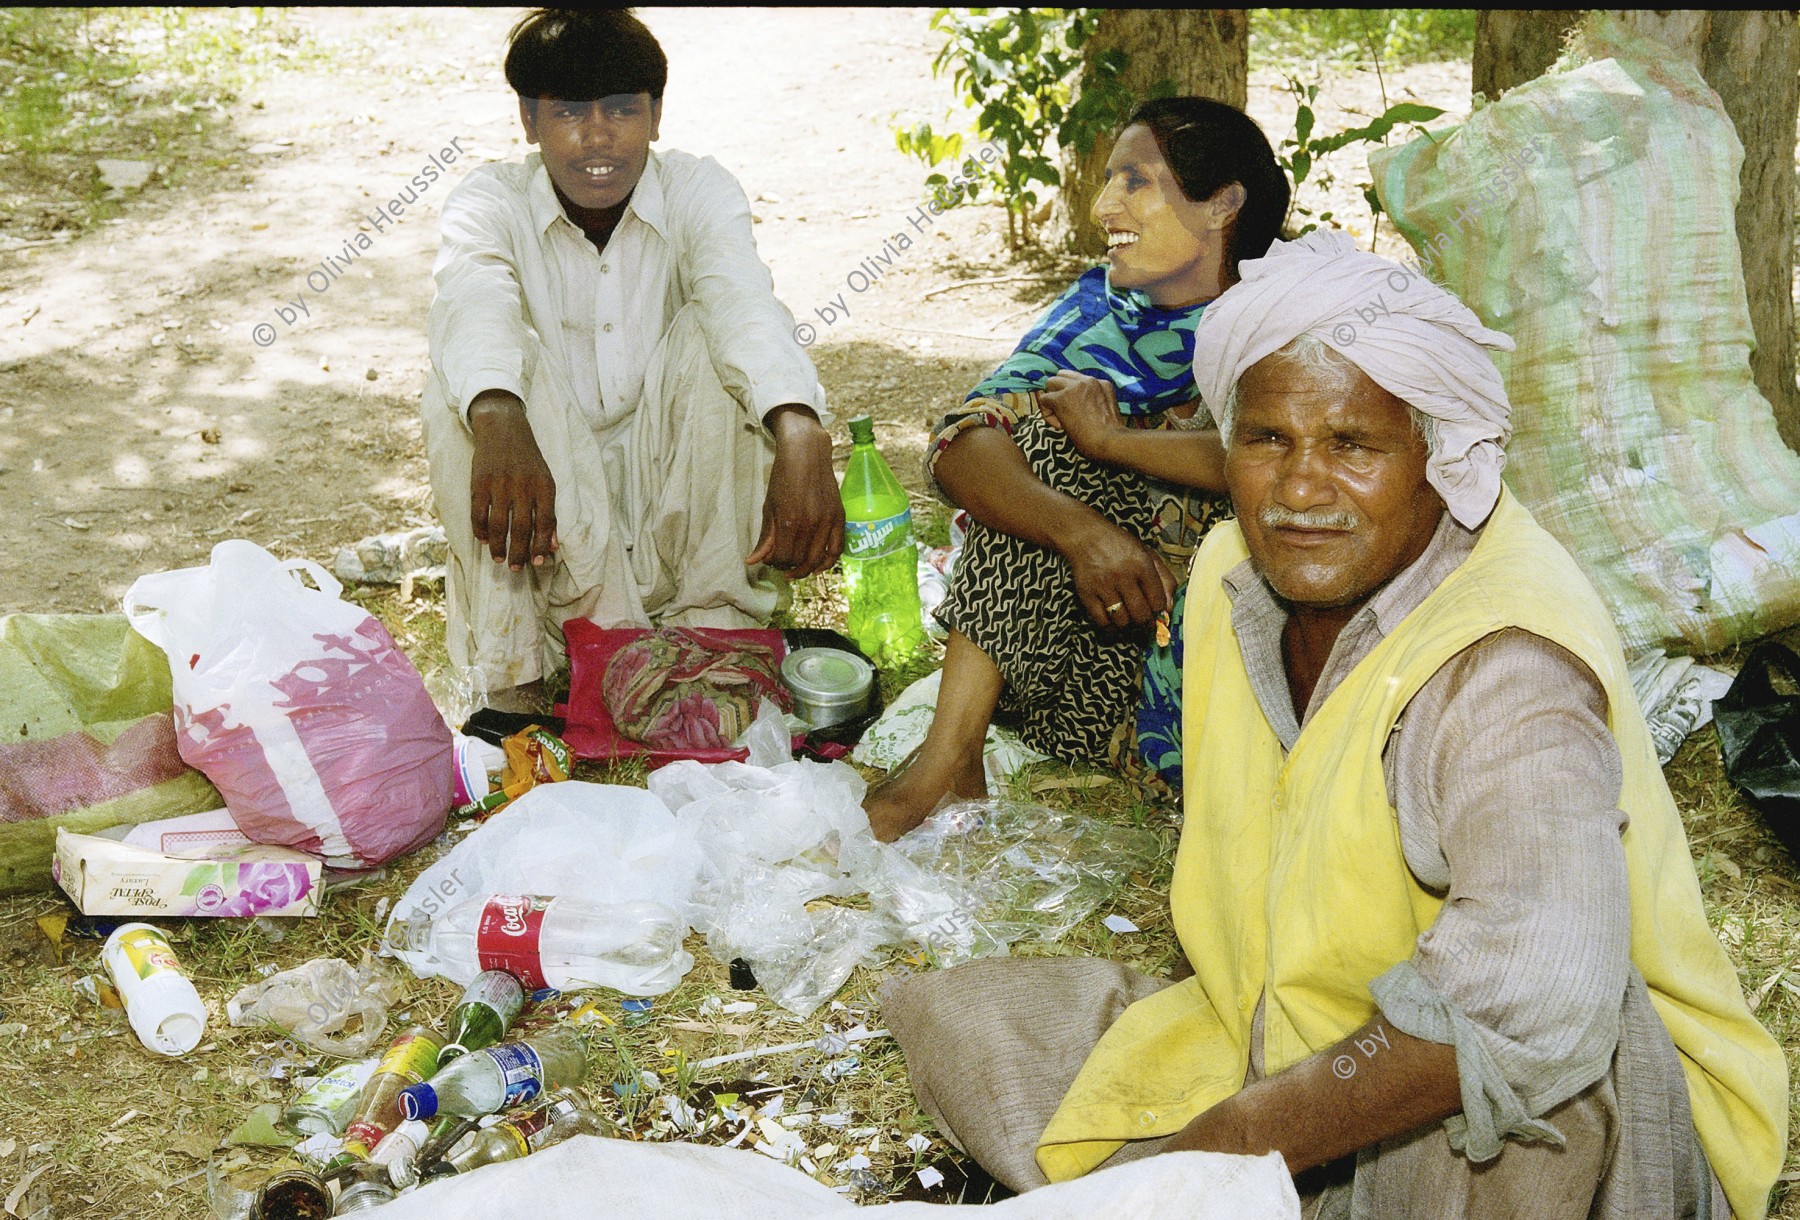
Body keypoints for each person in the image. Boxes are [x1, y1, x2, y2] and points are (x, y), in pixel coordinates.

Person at [883, 230, 1787, 1218]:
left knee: (1514, 1121)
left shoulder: (1506, 663)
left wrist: (1230, 1140)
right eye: (1267, 439)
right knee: (968, 1020)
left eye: (1353, 444)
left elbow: (1539, 996)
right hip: (1306, 1039)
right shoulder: (1230, 577)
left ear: (1438, 455)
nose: (1303, 489)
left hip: (1535, 1090)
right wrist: (1253, 1114)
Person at [862, 97, 1290, 840]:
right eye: (1108, 180)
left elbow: (1283, 458)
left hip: (1206, 679)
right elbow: (963, 440)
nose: (1103, 206)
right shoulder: (1105, 305)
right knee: (1038, 448)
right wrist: (1084, 535)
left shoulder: (1282, 315)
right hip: (1077, 673)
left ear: (1222, 204)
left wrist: (1116, 443)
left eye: (1135, 181)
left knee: (1072, 440)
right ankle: (948, 759)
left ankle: (946, 763)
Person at [422, 9, 841, 711]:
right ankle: (514, 690)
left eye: (621, 110)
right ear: (529, 121)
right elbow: (474, 302)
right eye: (566, 113)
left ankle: (716, 646)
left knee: (723, 348)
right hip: (550, 545)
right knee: (465, 391)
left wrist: (799, 425)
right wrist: (496, 414)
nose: (596, 136)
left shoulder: (697, 190)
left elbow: (743, 302)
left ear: (655, 115)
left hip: (674, 539)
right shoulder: (488, 203)